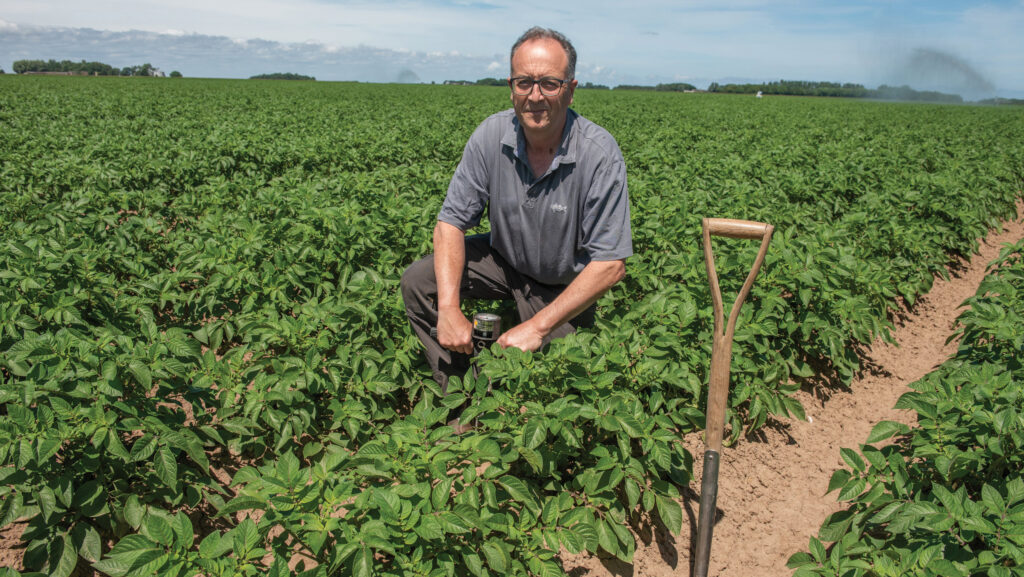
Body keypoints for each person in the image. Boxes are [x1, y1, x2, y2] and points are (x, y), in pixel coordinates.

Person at [401, 26, 632, 395]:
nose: (535, 96)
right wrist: (448, 308)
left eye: (549, 84)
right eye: (524, 83)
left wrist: (537, 327)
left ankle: (508, 390)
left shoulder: (598, 154)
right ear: (511, 87)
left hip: (561, 285)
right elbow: (450, 224)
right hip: (504, 261)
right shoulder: (491, 136)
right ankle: (459, 392)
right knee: (419, 283)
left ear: (570, 91)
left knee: (547, 393)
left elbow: (610, 265)